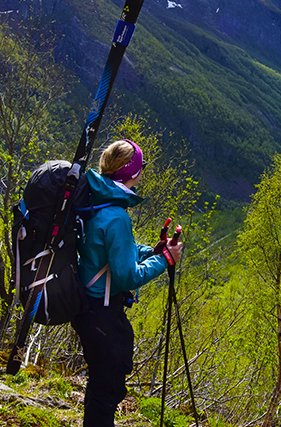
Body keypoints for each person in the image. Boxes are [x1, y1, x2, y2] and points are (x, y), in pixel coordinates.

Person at [73, 139, 183, 427]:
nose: (142, 172)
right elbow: (126, 276)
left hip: (88, 305)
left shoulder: (97, 199)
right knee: (106, 387)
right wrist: (165, 261)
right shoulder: (117, 215)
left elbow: (114, 251)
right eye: (141, 166)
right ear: (130, 172)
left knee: (102, 384)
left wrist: (153, 251)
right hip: (103, 310)